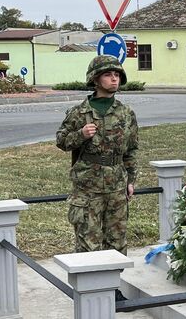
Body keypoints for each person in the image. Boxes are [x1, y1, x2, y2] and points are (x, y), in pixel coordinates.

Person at [56, 55, 139, 257]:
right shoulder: (79, 112)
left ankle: (114, 287)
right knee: (88, 242)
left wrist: (131, 179)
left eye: (117, 75)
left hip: (117, 186)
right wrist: (80, 135)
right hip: (87, 187)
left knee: (117, 242)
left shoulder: (126, 113)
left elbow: (131, 149)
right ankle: (89, 288)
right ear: (95, 79)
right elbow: (61, 140)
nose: (114, 79)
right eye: (108, 75)